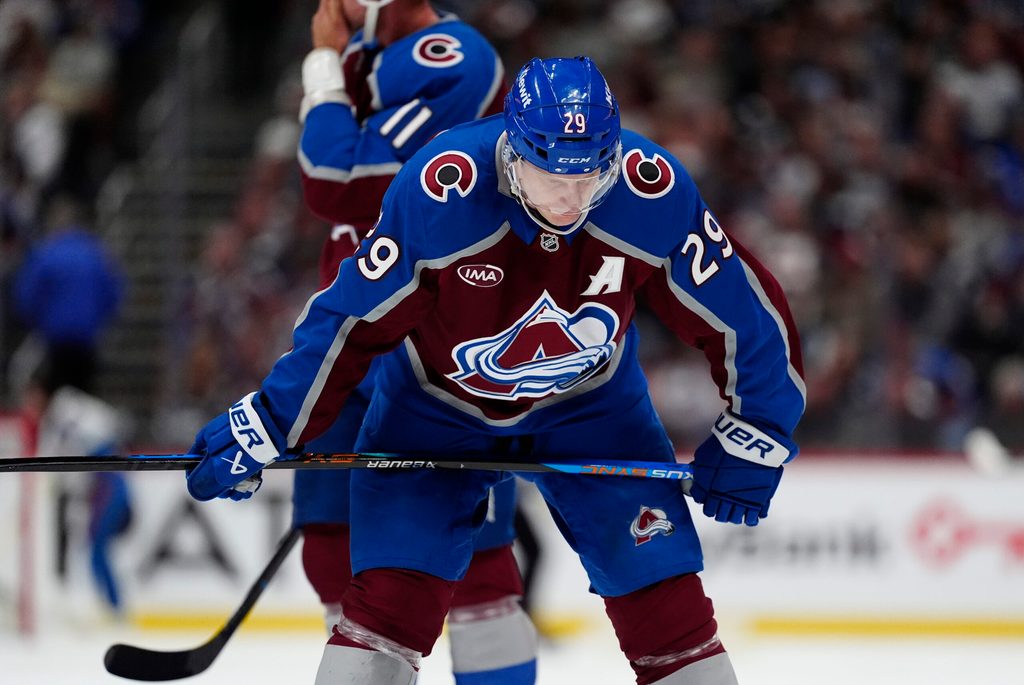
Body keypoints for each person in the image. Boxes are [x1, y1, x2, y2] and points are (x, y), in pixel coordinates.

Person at [186, 56, 806, 685]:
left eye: (591, 176)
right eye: (552, 176)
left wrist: (758, 431)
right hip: (432, 409)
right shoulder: (440, 190)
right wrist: (268, 420)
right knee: (388, 605)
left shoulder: (650, 189)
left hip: (594, 409)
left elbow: (744, 316)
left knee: (668, 608)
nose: (572, 200)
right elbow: (350, 323)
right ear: (512, 153)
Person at [293, 1, 536, 683]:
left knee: (478, 568)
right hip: (350, 335)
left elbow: (337, 179)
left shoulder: (455, 58)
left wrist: (320, 69)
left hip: (435, 343)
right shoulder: (363, 56)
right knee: (330, 544)